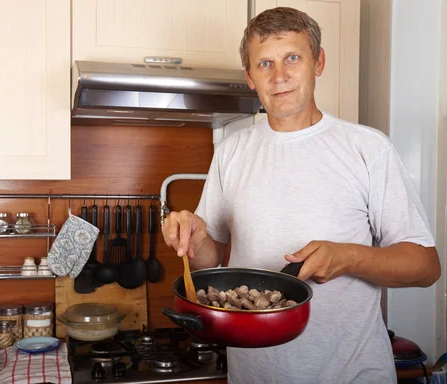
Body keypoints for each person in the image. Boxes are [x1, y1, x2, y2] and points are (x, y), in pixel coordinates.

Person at [161, 7, 441, 384]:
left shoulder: (367, 148)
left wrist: (347, 256)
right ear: (249, 77)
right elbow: (211, 264)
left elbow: (425, 267)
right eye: (264, 64)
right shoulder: (232, 151)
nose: (279, 77)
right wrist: (196, 241)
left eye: (293, 57)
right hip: (254, 375)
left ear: (318, 61)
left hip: (353, 374)